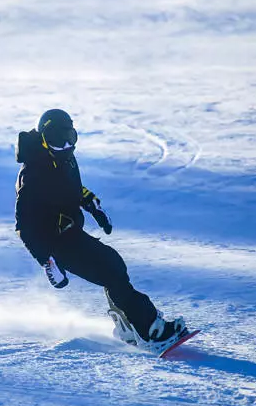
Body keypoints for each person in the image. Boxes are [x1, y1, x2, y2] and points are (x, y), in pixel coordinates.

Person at [14, 108, 189, 354]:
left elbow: (71, 189)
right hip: (55, 243)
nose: (65, 144)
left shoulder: (63, 159)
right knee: (112, 271)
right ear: (43, 138)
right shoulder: (33, 175)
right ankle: (149, 331)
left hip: (71, 234)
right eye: (57, 138)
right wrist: (47, 261)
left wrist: (92, 205)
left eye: (70, 137)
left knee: (114, 266)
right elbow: (24, 225)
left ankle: (129, 327)